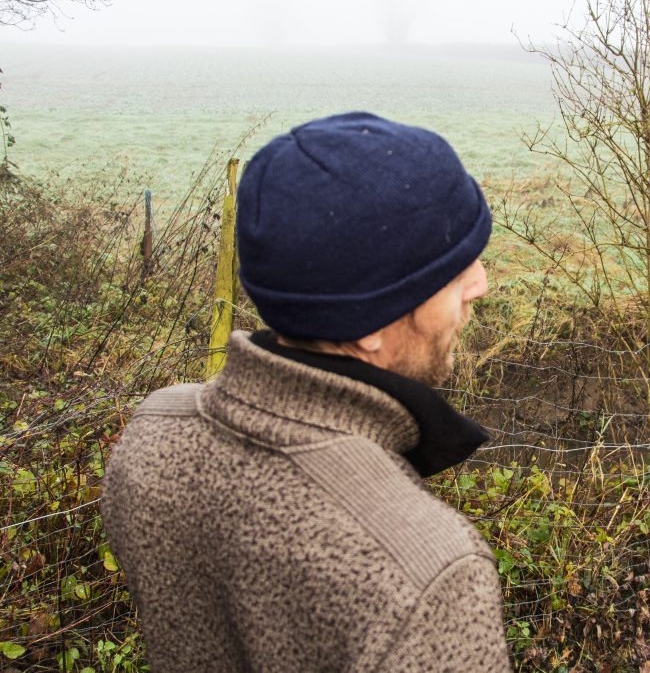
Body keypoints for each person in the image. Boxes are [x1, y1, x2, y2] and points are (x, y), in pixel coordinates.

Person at [101, 112, 513, 672]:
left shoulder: (154, 434)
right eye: (453, 269)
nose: (481, 284)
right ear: (369, 320)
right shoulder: (427, 573)